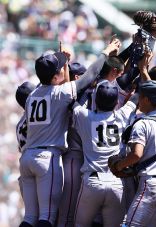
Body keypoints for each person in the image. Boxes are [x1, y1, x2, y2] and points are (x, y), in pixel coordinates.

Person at [18, 39, 120, 227]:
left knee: (30, 218)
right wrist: (105, 52)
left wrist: (63, 62)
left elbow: (58, 83)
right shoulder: (60, 93)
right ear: (56, 77)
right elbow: (89, 76)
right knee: (47, 217)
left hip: (27, 158)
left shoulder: (33, 95)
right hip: (46, 159)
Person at [73, 81, 138, 227]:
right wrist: (142, 70)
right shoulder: (123, 114)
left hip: (92, 181)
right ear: (116, 102)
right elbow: (135, 98)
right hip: (116, 181)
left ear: (95, 100)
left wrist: (88, 86)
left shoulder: (85, 116)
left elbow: (72, 101)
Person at [111, 80, 156, 227]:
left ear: (147, 99)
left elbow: (136, 155)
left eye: (141, 97)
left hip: (150, 186)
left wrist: (120, 165)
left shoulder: (142, 123)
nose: (139, 100)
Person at [56, 61, 86, 227]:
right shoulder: (74, 101)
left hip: (67, 160)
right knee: (67, 216)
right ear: (77, 77)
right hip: (72, 159)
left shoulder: (60, 99)